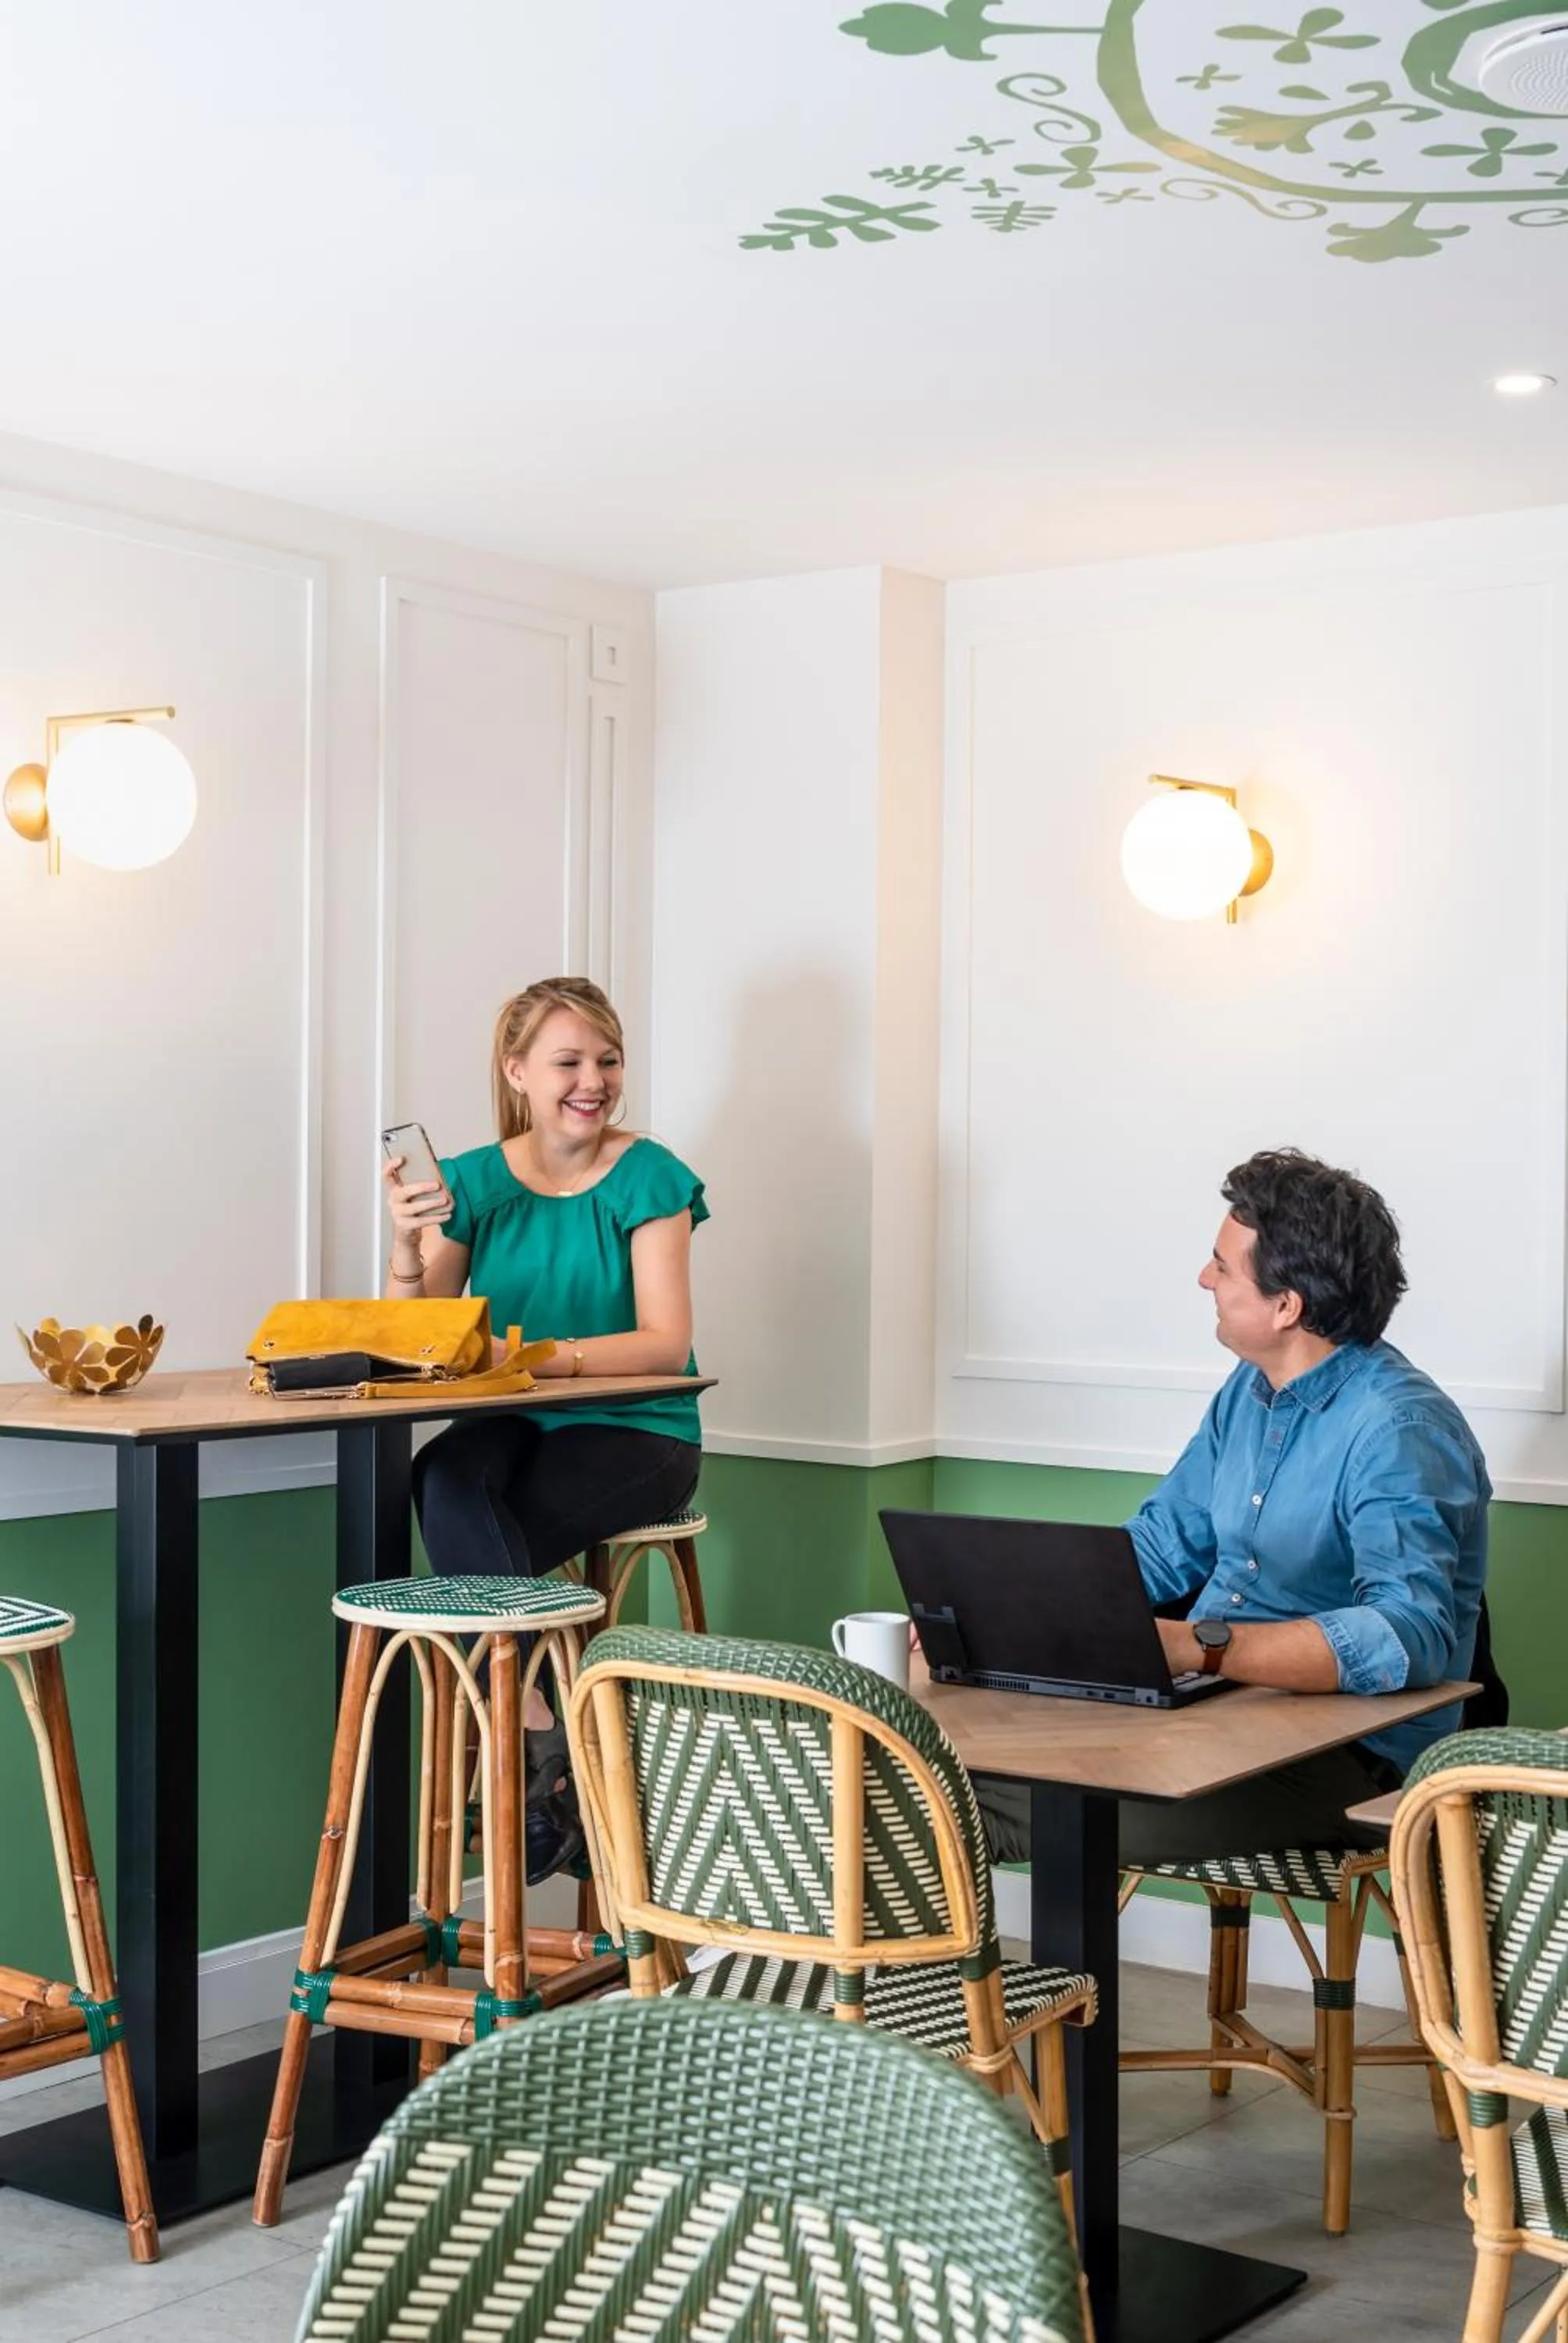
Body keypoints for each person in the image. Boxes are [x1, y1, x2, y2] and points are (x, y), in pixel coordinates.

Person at [977, 1148, 1490, 1868]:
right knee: (952, 1768)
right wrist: (998, 1615)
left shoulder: (1400, 1429)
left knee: (997, 1804)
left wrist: (1204, 1646)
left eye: (1222, 1267)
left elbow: (1408, 1634)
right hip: (1221, 1712)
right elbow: (1161, 1545)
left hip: (1348, 1756)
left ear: (1286, 1307)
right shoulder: (1247, 1393)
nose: (1203, 1279)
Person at [382, 975, 706, 1878]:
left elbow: (664, 1341)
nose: (593, 1081)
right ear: (516, 1069)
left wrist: (535, 1356)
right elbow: (420, 1339)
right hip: (513, 1416)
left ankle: (532, 1768)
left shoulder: (649, 1177)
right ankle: (542, 1737)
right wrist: (405, 1249)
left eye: (608, 1060)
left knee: (483, 1537)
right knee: (442, 1477)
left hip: (639, 1428)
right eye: (569, 1062)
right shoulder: (473, 1182)